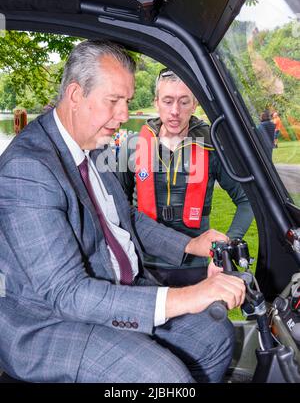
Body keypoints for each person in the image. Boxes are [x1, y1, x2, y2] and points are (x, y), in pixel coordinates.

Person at [0, 40, 245, 384]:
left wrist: (193, 245)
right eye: (113, 101)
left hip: (115, 288)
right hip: (52, 324)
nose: (124, 115)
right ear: (75, 95)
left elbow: (125, 221)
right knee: (166, 378)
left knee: (215, 335)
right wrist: (189, 295)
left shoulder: (93, 147)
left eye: (127, 102)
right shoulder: (28, 169)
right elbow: (66, 294)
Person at [118, 69, 254, 286]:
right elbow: (115, 205)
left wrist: (225, 247)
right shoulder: (132, 147)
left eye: (184, 102)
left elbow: (247, 201)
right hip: (143, 262)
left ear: (195, 105)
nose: (175, 111)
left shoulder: (213, 148)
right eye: (168, 100)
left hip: (196, 267)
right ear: (156, 102)